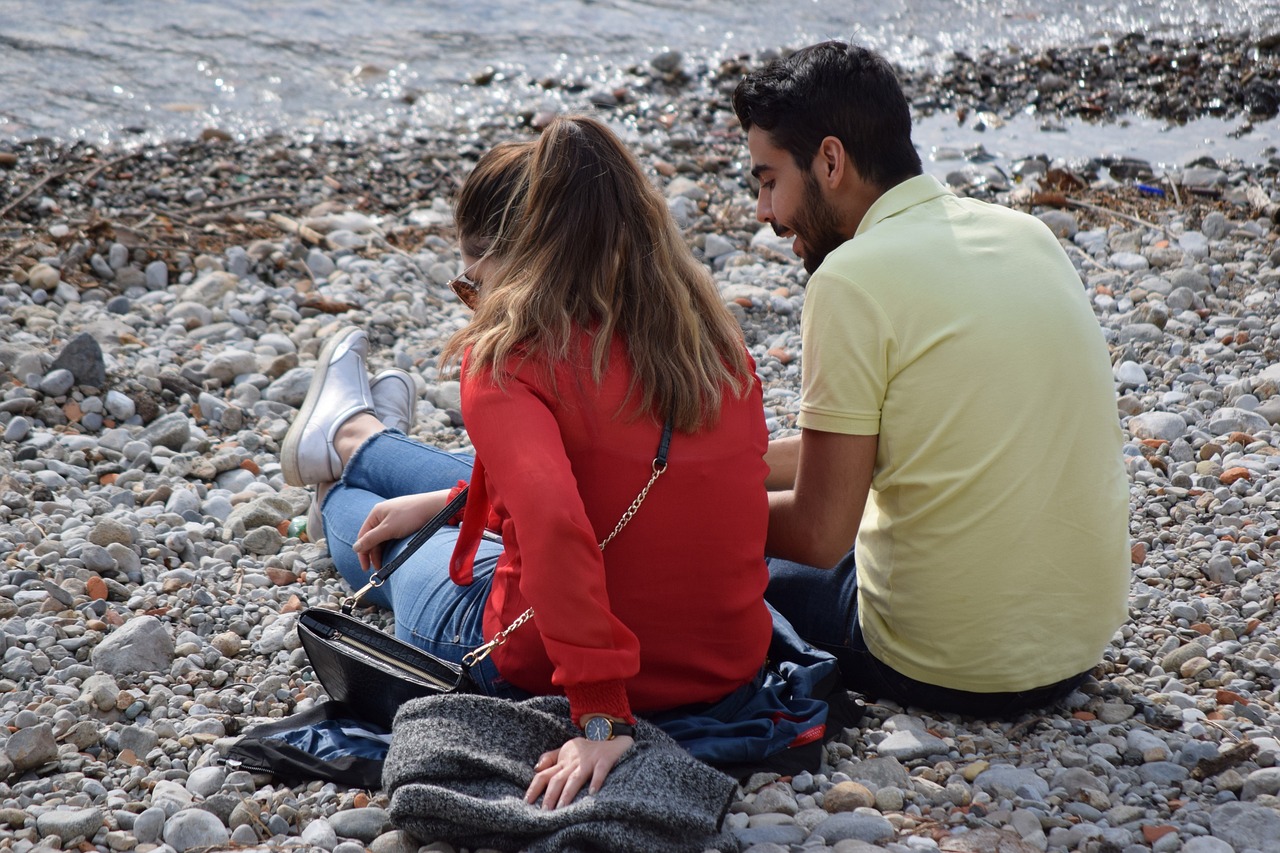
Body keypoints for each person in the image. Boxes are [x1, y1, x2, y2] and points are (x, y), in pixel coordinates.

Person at [280, 116, 774, 807]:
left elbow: (554, 524)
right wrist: (461, 502)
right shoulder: (716, 345)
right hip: (725, 668)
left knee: (354, 514)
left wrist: (600, 714)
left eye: (470, 286)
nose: (476, 306)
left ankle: (339, 453)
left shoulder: (516, 356)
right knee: (462, 481)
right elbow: (665, 493)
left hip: (546, 660)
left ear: (515, 260)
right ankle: (363, 435)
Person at [731, 42, 1130, 717]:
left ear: (830, 161)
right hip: (1076, 641)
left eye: (769, 181)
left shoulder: (850, 279)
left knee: (733, 562)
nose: (766, 213)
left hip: (946, 660)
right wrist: (729, 466)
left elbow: (821, 530)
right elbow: (908, 435)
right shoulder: (1026, 233)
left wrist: (682, 509)